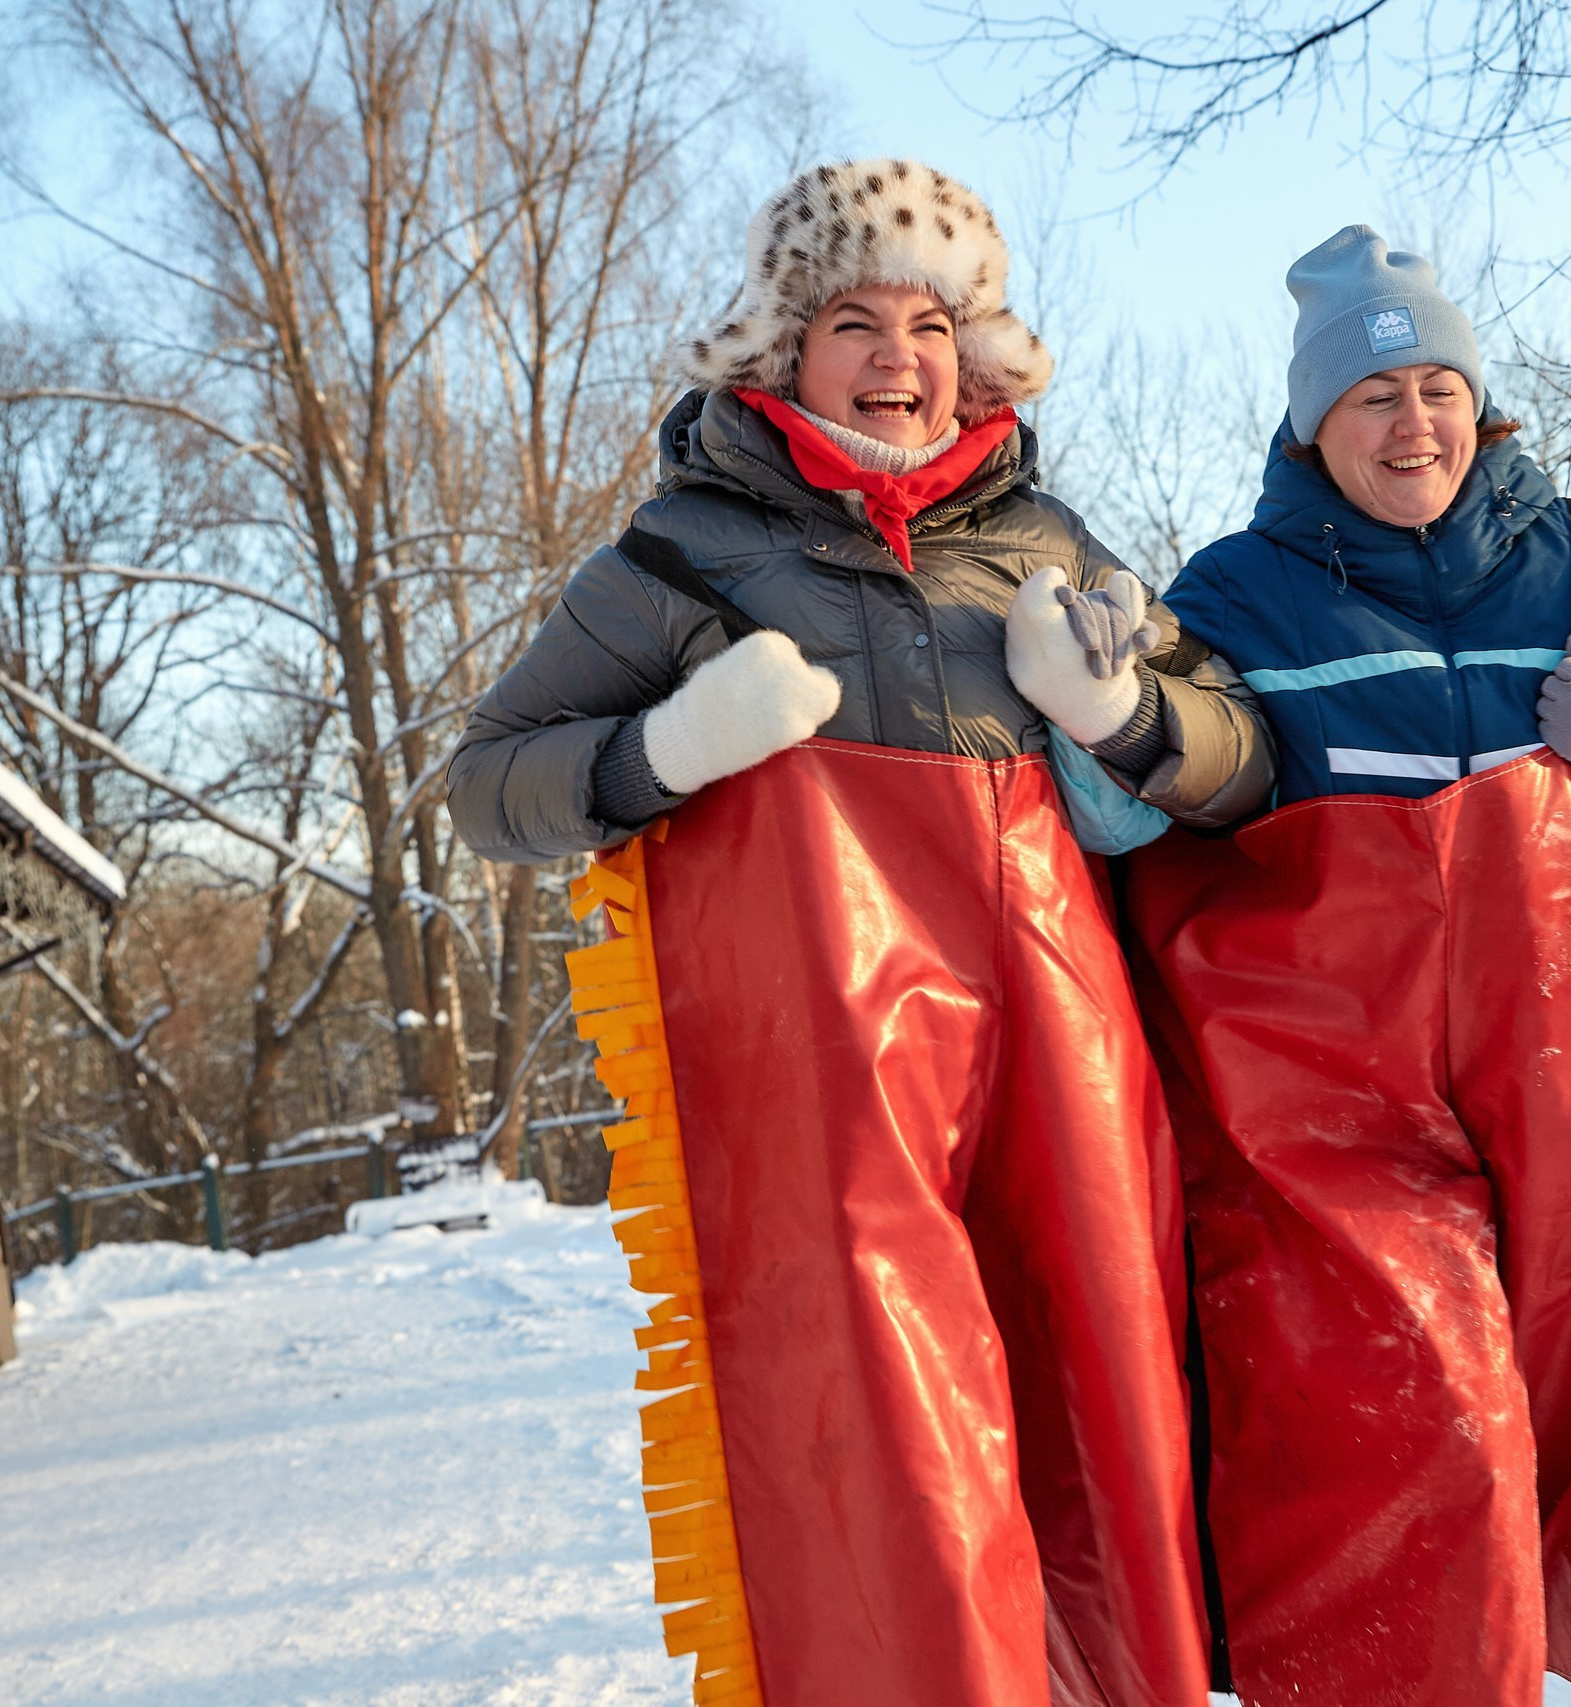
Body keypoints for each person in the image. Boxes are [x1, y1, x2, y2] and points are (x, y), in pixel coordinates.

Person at [448, 158, 1269, 1707]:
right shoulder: (681, 558)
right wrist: (669, 750)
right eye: (854, 320)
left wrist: (1125, 708)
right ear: (783, 350)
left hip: (1065, 1049)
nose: (900, 360)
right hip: (829, 1079)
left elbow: (1243, 764)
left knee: (1106, 1399)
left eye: (930, 323)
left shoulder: (1052, 544)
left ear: (978, 352)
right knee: (888, 1428)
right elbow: (491, 785)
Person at [1127, 226, 1571, 1707]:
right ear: (1313, 424)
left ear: (1479, 405)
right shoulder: (1233, 594)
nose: (1411, 422)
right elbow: (1174, 794)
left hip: (1570, 1046)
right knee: (1408, 1412)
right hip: (1339, 1074)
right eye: (1373, 398)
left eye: (1436, 386)